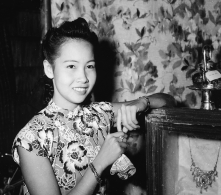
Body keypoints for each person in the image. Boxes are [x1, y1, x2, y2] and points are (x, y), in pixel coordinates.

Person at [11, 17, 176, 195]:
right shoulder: (31, 139)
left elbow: (169, 102)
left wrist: (142, 102)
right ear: (49, 69)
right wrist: (100, 162)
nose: (83, 77)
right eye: (71, 66)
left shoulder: (100, 113)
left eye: (89, 66)